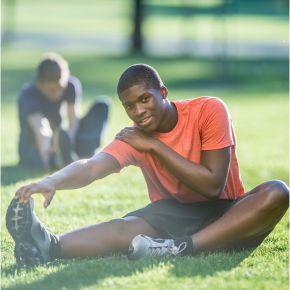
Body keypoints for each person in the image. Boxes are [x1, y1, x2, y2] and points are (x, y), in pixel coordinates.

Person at [6, 63, 289, 266]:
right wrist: (51, 181)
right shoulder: (134, 138)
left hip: (226, 214)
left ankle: (180, 249)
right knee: (123, 227)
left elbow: (213, 185)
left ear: (163, 93)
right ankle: (45, 246)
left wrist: (155, 145)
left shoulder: (209, 110)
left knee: (277, 191)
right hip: (173, 215)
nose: (138, 111)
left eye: (145, 99)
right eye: (129, 106)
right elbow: (91, 166)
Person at [17, 52, 109, 171]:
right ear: (39, 84)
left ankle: (79, 157)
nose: (58, 93)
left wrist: (67, 142)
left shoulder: (70, 85)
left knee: (101, 106)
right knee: (40, 155)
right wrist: (48, 155)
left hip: (62, 140)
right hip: (36, 146)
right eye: (52, 90)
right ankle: (58, 161)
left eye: (61, 88)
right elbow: (40, 130)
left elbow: (73, 121)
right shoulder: (28, 94)